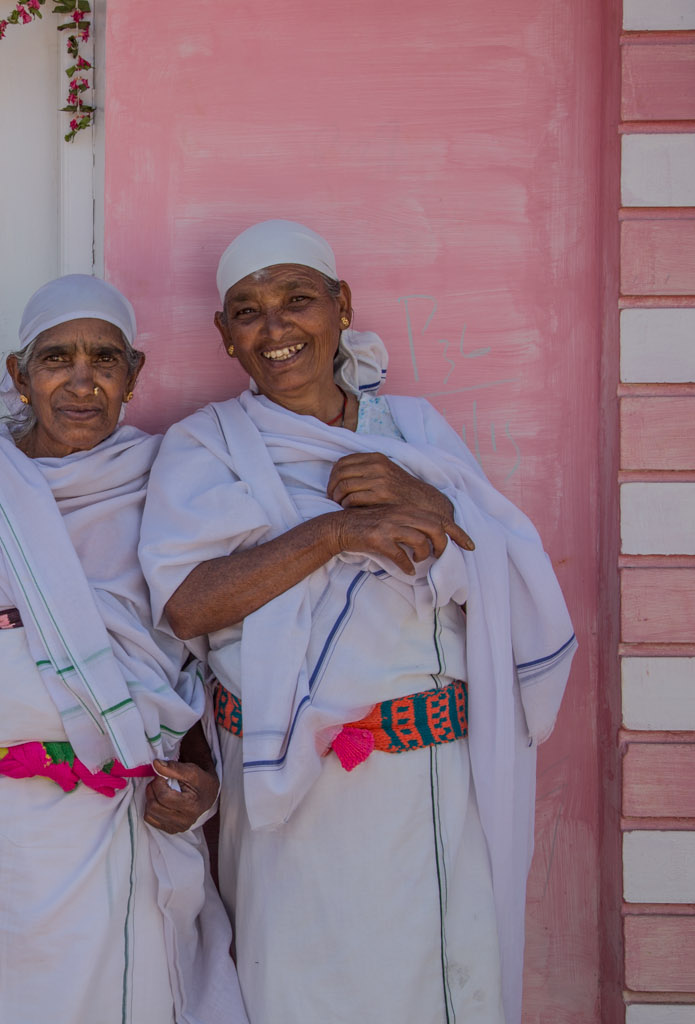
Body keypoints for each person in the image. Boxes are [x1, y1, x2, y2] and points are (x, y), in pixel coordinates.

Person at [139, 220, 577, 1024]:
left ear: (341, 307)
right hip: (286, 789)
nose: (276, 329)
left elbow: (501, 567)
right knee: (298, 989)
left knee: (440, 988)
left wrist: (429, 504)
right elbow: (187, 603)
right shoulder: (208, 446)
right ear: (225, 337)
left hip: (429, 784)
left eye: (297, 300)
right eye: (248, 311)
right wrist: (334, 533)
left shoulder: (414, 432)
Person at [0, 275, 248, 1024]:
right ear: (19, 376)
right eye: (56, 360)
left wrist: (204, 785)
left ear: (134, 375)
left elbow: (199, 657)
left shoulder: (165, 478)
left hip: (115, 824)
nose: (81, 383)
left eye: (104, 361)